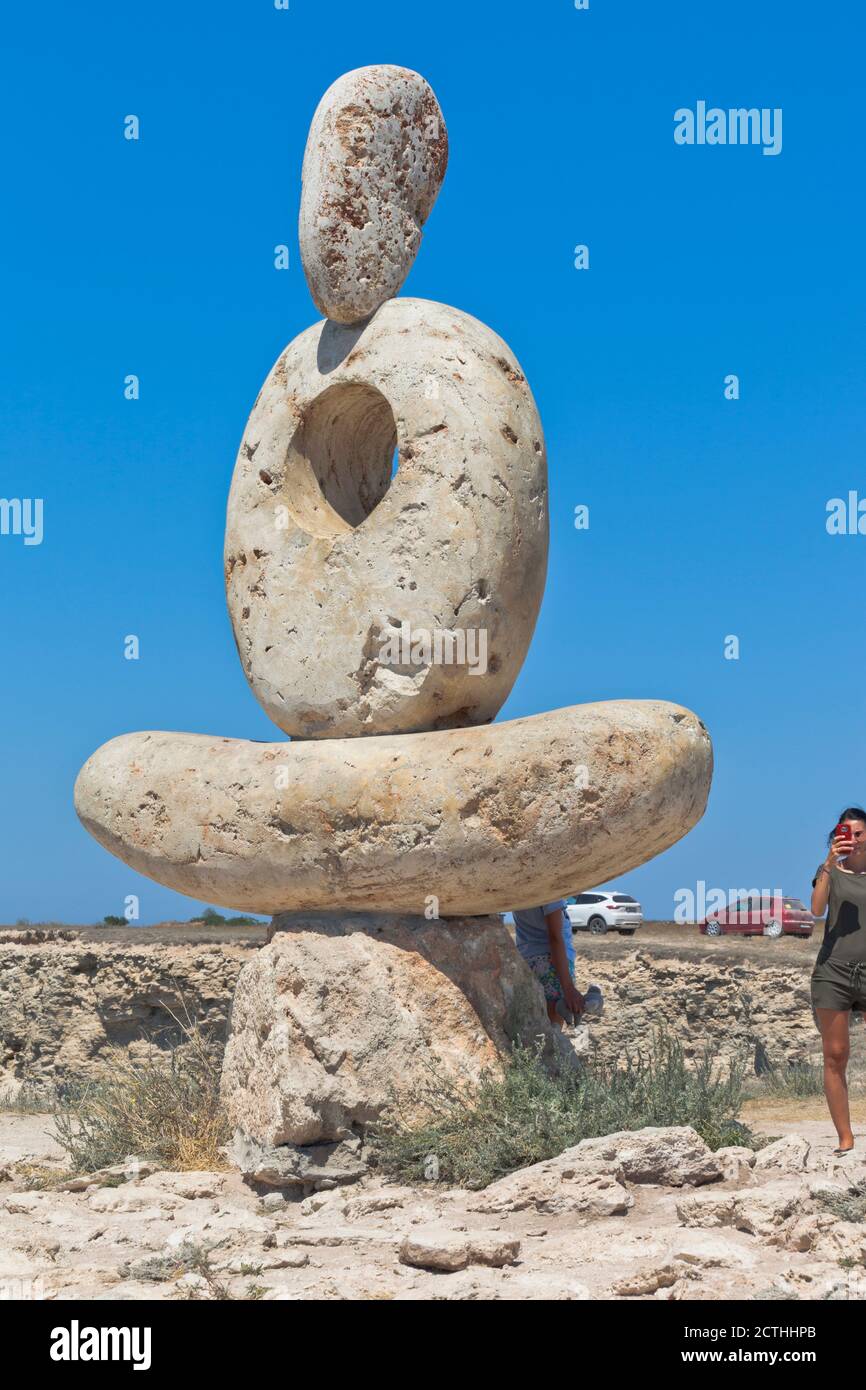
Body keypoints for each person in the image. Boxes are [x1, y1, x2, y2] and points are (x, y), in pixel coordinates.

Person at [810, 806, 866, 1156]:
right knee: (835, 1055)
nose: (854, 839)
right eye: (846, 833)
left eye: (859, 833)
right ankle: (846, 1139)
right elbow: (816, 909)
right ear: (836, 837)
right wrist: (829, 864)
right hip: (834, 973)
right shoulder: (829, 871)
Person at [513, 900, 584, 1027]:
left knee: (534, 1029)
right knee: (552, 1032)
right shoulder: (551, 892)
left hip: (526, 960)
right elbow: (555, 937)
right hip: (550, 964)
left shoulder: (521, 889)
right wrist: (568, 988)